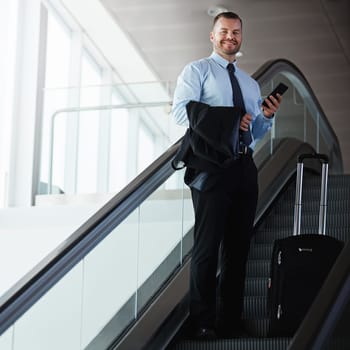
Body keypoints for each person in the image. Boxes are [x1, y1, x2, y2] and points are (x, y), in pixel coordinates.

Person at [172, 11, 283, 339]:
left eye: (235, 32)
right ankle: (203, 321)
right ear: (212, 36)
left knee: (238, 248)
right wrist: (233, 119)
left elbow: (254, 133)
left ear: (241, 37)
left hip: (244, 167)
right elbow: (181, 112)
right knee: (207, 247)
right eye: (223, 31)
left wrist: (264, 116)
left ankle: (230, 320)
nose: (230, 37)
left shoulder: (250, 83)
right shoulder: (198, 71)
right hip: (211, 167)